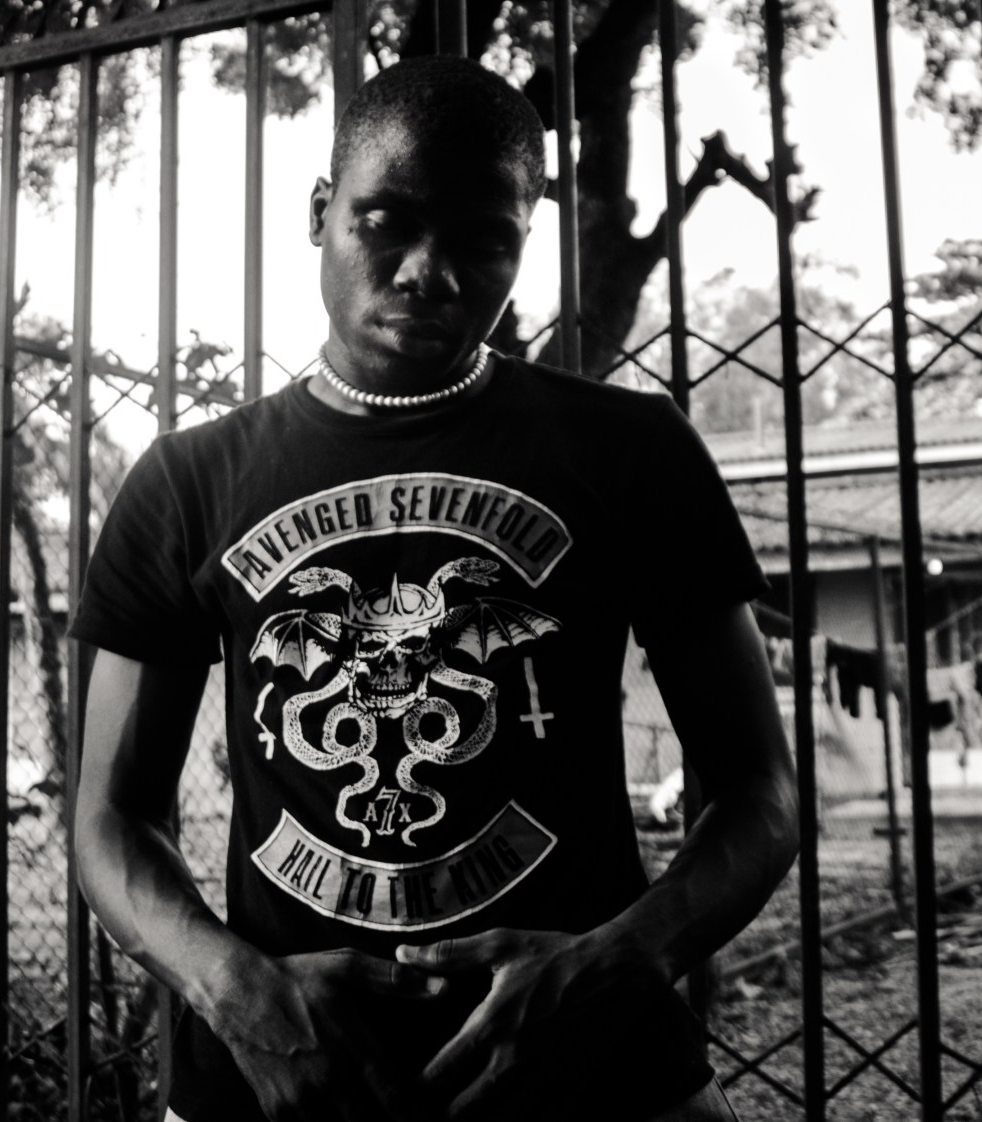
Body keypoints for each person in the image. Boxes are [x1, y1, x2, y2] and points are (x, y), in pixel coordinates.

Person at [70, 55, 798, 1122]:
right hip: (284, 1081)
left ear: (519, 245)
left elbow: (758, 794)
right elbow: (111, 816)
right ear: (321, 212)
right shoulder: (188, 481)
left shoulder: (631, 450)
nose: (428, 270)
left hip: (590, 1073)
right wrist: (235, 993)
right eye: (385, 221)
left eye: (481, 239)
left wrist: (615, 965)